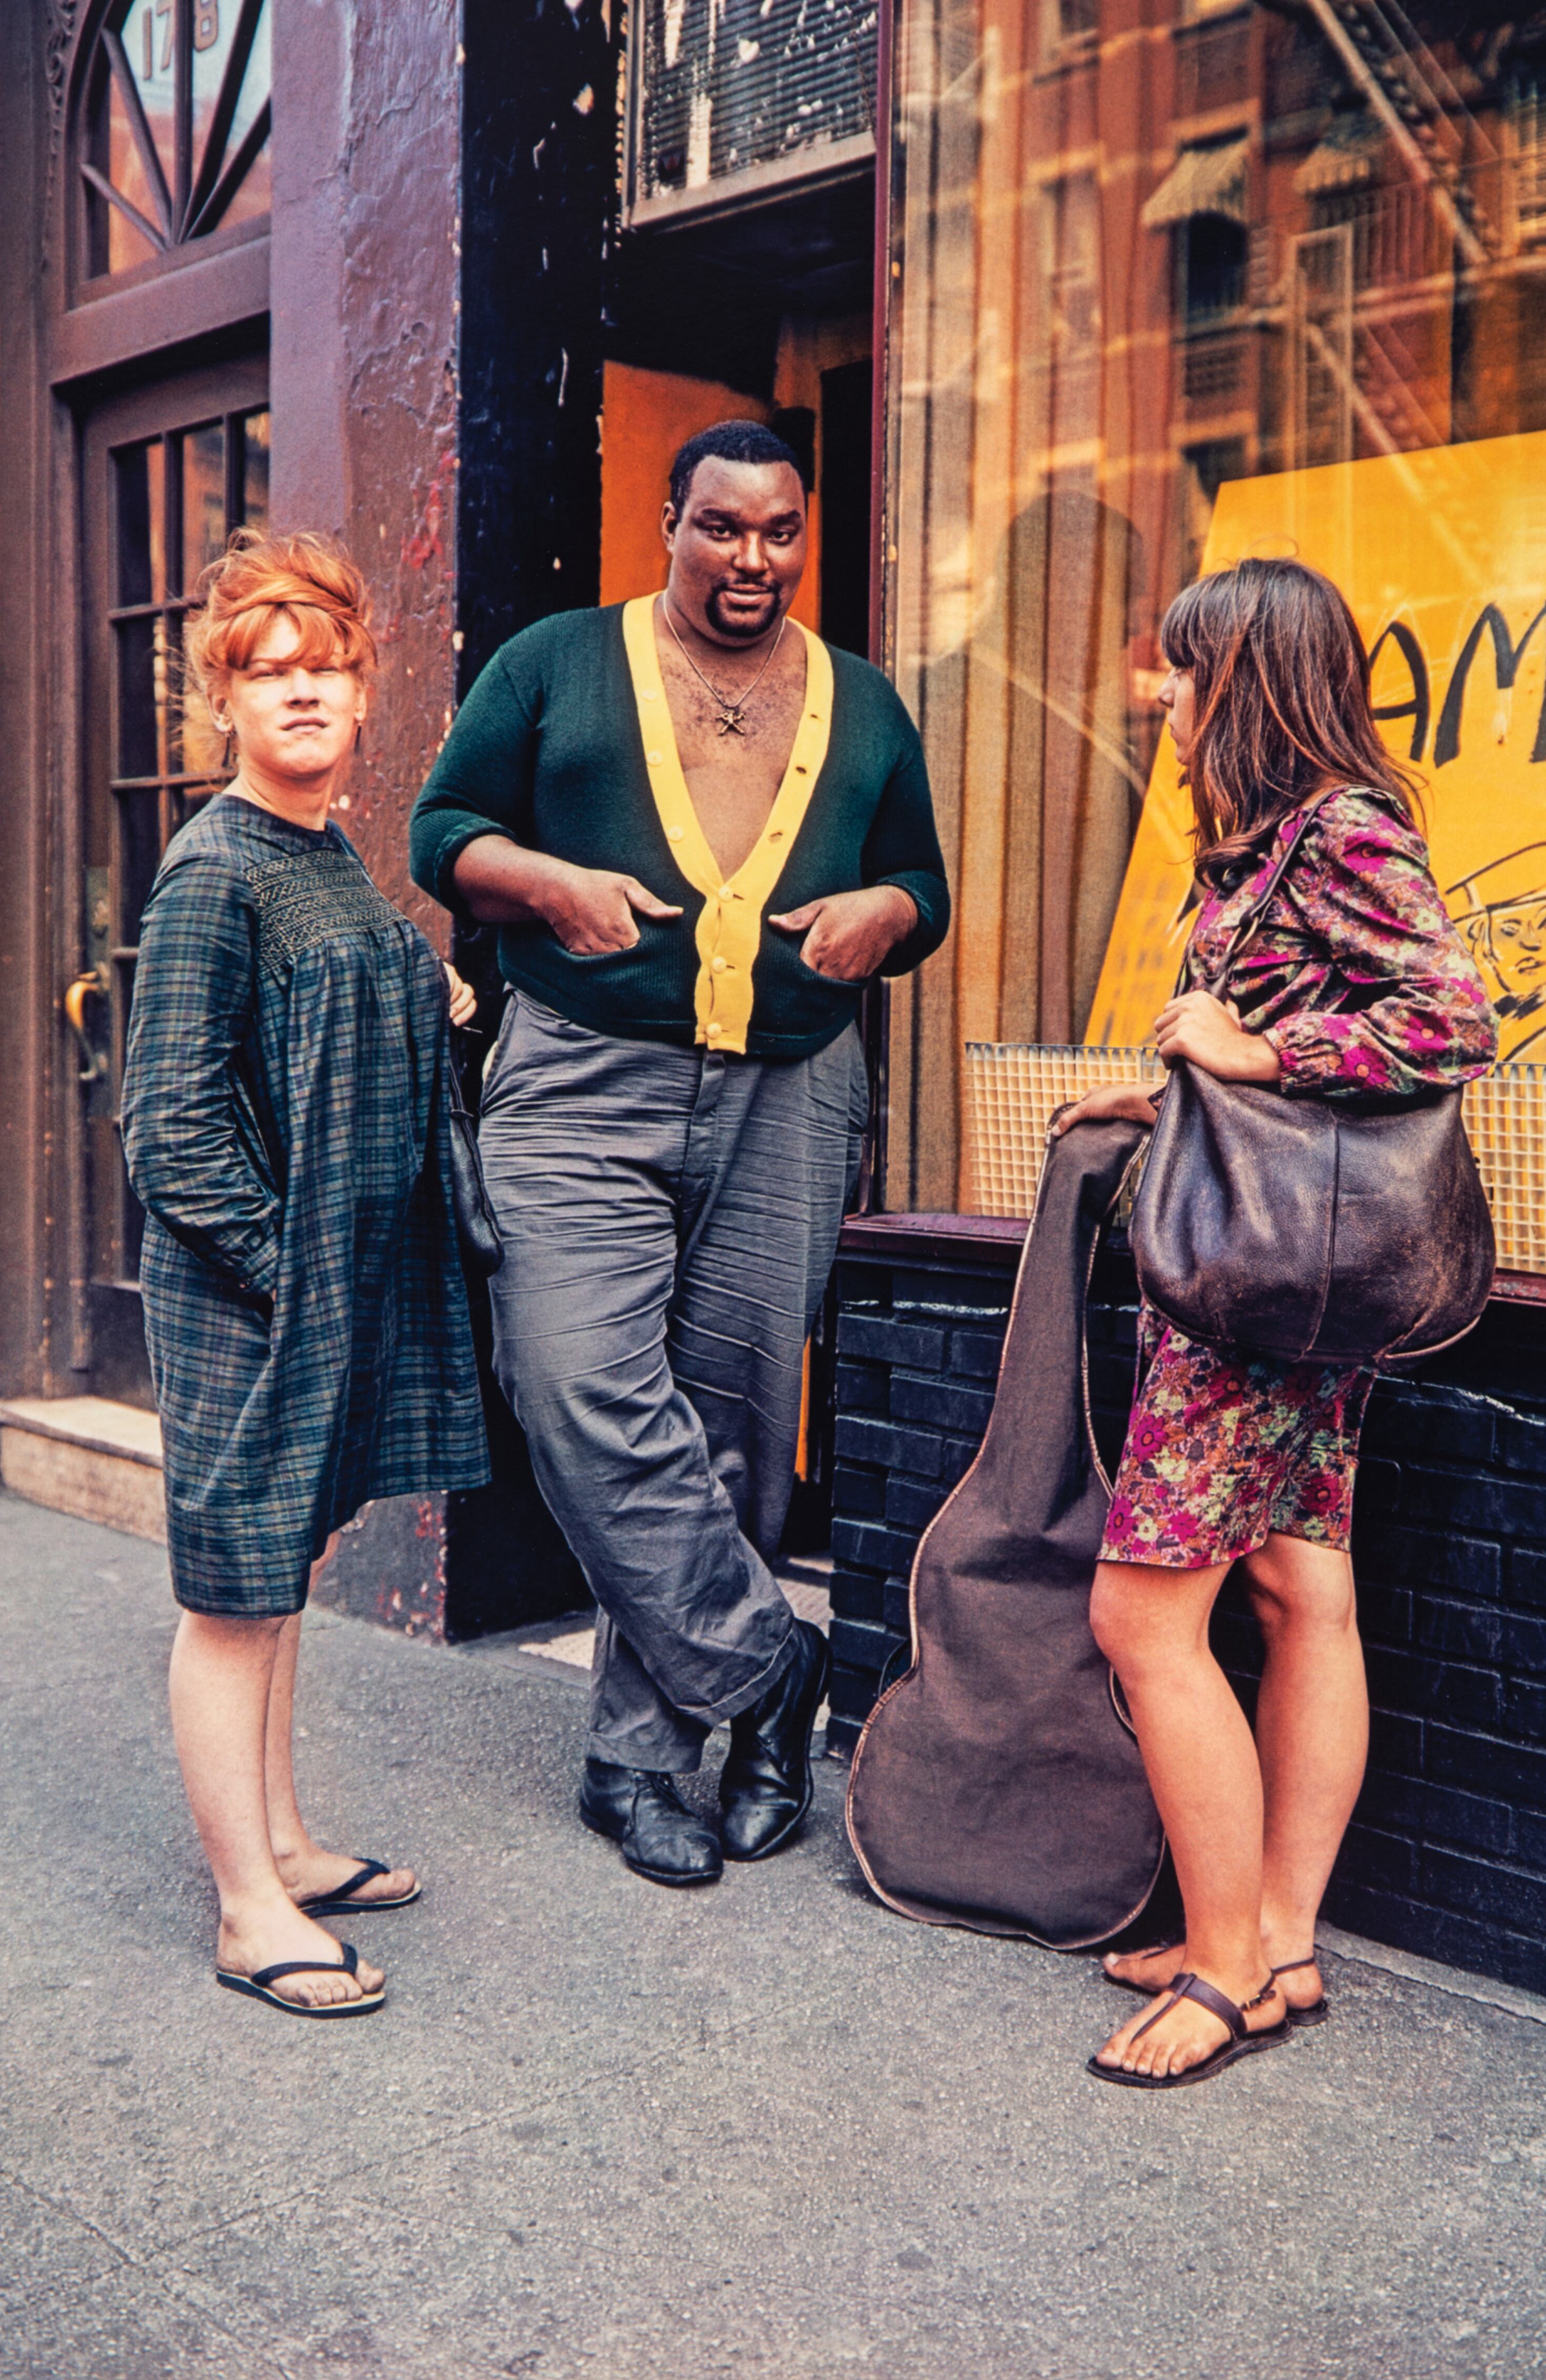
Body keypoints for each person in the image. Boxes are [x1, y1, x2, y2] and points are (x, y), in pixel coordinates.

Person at [410, 419, 949, 1887]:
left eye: (779, 533)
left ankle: (641, 1761)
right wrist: (542, 886)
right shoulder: (553, 663)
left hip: (790, 1088)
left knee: (731, 1418)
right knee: (576, 1379)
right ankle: (770, 1670)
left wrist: (879, 920)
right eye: (721, 529)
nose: (751, 561)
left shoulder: (863, 701)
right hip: (583, 1076)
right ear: (669, 523)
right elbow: (441, 829)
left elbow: (925, 881)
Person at [1057, 556, 1495, 2087]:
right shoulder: (1255, 848)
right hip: (1284, 1268)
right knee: (1302, 1587)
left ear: (1245, 678)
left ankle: (1228, 1964)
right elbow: (1262, 1047)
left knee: (1144, 1614)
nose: (1162, 700)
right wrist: (1174, 1080)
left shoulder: (1341, 832)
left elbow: (1453, 1014)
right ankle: (1281, 1938)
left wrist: (1255, 1045)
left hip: (1259, 1298)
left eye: (1183, 672)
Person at [123, 531, 490, 2017]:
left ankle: (280, 1837)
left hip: (313, 1294)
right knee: (229, 1596)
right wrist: (290, 1277)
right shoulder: (213, 870)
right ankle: (244, 1906)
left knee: (280, 1579)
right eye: (267, 672)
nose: (302, 694)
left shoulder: (327, 847)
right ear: (222, 698)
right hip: (247, 1301)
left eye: (326, 667)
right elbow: (170, 1128)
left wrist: (432, 986)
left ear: (364, 687)